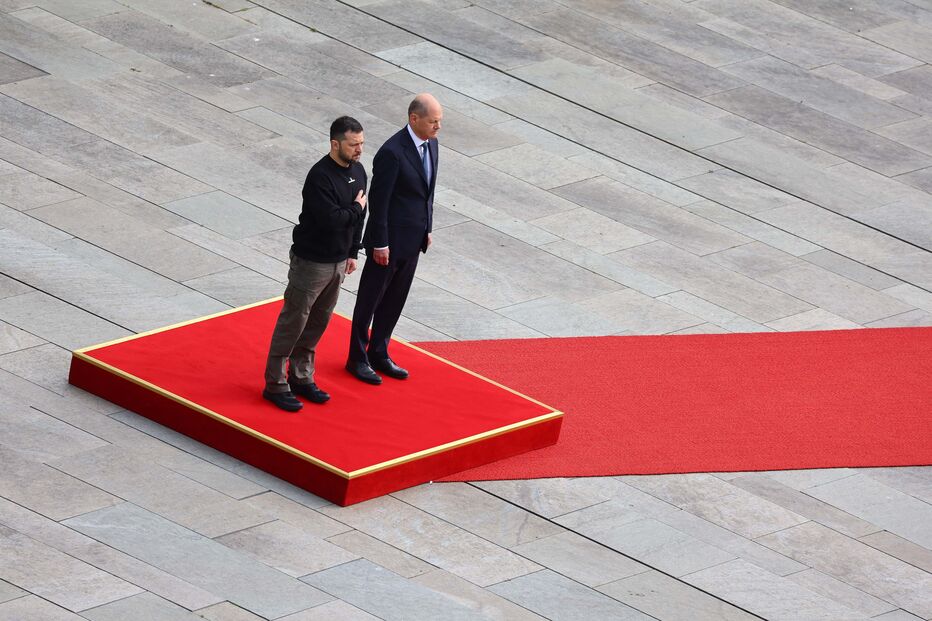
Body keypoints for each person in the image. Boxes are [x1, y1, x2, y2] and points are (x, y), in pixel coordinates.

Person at [262, 116, 368, 411]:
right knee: (294, 320)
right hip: (311, 262)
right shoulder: (320, 177)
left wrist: (353, 252)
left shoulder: (359, 171)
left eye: (361, 143)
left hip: (337, 261)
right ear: (335, 144)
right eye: (353, 144)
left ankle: (301, 376)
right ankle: (275, 383)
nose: (359, 150)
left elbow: (359, 216)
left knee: (319, 321)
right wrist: (355, 209)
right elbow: (332, 220)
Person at [346, 93, 442, 384]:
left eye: (439, 121)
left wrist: (427, 228)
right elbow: (380, 201)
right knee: (370, 300)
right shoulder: (392, 152)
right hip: (387, 243)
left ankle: (380, 351)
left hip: (413, 241)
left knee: (395, 301)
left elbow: (427, 193)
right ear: (414, 119)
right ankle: (357, 358)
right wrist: (379, 242)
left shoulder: (432, 144)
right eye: (433, 121)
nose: (438, 127)